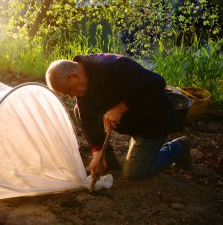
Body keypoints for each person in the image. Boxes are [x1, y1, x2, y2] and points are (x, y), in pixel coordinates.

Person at [45, 53, 191, 181]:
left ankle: (178, 147)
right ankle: (107, 161)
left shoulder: (114, 66)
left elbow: (157, 83)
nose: (71, 95)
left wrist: (120, 108)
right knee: (79, 110)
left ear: (74, 76)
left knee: (134, 174)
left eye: (69, 90)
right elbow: (87, 118)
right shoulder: (83, 85)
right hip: (130, 121)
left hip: (153, 120)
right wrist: (97, 151)